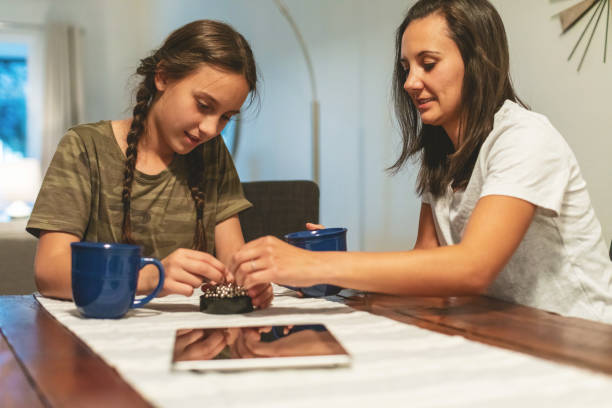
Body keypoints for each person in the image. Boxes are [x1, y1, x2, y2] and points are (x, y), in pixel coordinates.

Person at [228, 0, 612, 322]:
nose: (410, 82)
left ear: (477, 62)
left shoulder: (525, 137)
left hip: (582, 336)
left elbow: (472, 268)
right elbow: (427, 262)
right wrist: (338, 271)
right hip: (509, 331)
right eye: (406, 68)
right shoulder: (443, 155)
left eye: (427, 63)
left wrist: (313, 266)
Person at [27, 20, 273, 309]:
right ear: (163, 76)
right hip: (101, 337)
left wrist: (248, 281)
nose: (210, 128)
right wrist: (148, 278)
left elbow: (233, 259)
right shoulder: (85, 147)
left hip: (193, 339)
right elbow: (49, 272)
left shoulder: (211, 152)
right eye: (204, 106)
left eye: (225, 117)